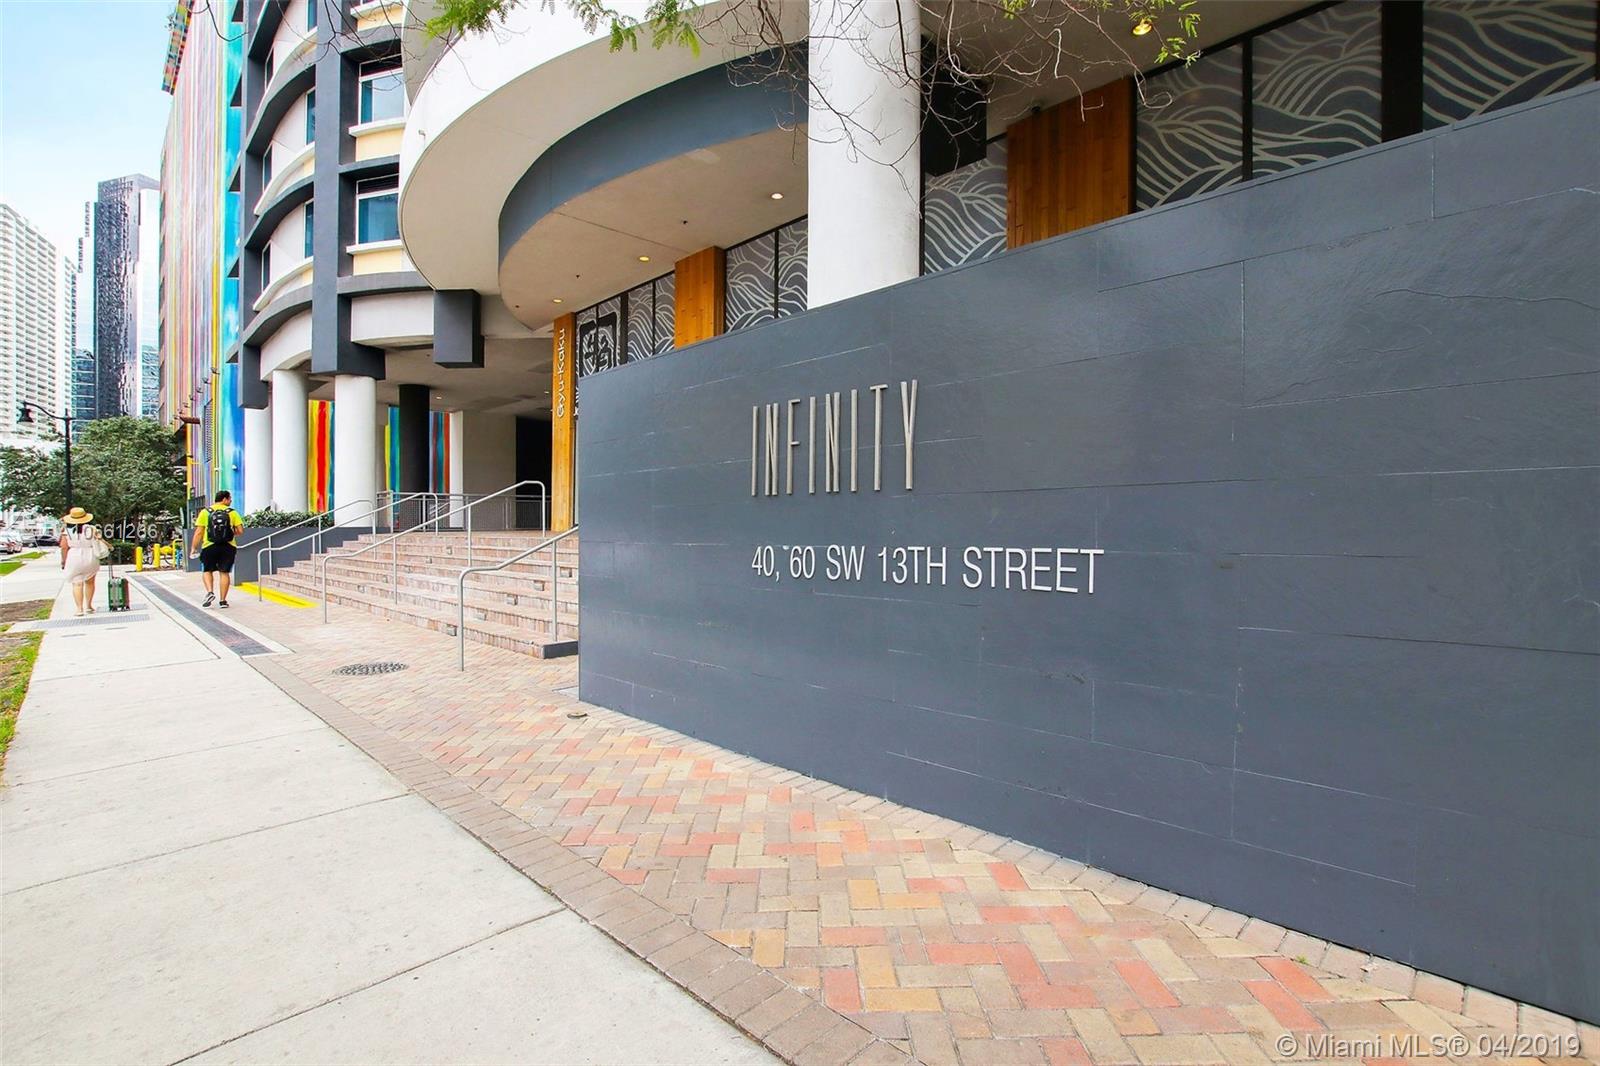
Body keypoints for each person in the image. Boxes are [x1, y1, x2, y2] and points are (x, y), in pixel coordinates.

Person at [191, 490, 244, 607]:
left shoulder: (205, 512)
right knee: (224, 572)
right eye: (229, 499)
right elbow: (240, 531)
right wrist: (229, 533)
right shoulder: (232, 512)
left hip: (209, 545)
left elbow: (199, 532)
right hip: (228, 546)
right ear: (224, 499)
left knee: (207, 570)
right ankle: (223, 601)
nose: (231, 501)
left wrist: (193, 548)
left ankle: (210, 592)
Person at [59, 507, 104, 617]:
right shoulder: (92, 529)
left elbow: (64, 547)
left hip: (74, 557)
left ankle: (79, 609)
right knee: (90, 582)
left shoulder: (67, 531)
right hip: (90, 556)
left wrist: (63, 561)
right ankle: (89, 606)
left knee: (77, 583)